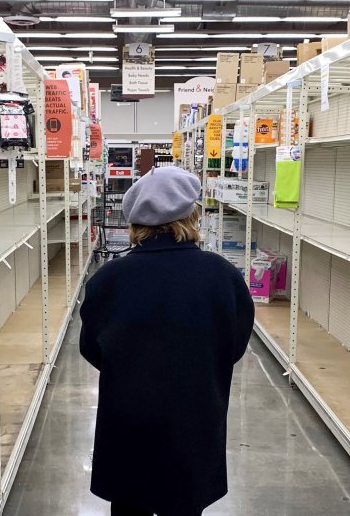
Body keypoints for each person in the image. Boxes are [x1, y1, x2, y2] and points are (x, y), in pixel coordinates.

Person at [80, 167, 255, 516]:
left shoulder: (109, 279)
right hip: (195, 416)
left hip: (129, 420)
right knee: (186, 503)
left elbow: (92, 347)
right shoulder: (222, 276)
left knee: (129, 503)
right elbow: (233, 345)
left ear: (135, 222)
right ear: (194, 214)